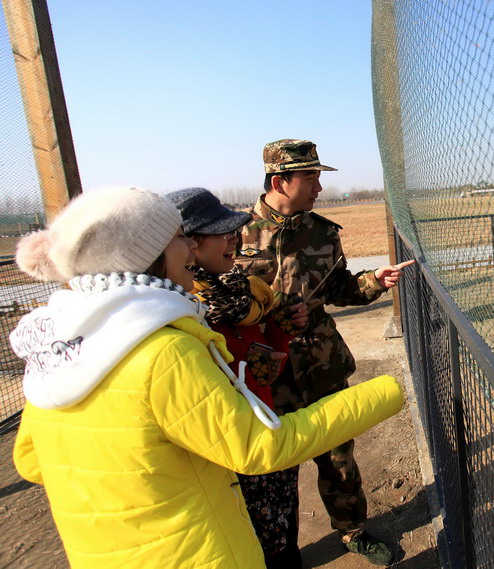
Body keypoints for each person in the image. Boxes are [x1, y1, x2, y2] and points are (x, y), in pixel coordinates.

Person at [9, 187, 404, 569]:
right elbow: (257, 447)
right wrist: (386, 392)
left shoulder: (55, 350)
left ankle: (348, 529)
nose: (189, 248)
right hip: (190, 547)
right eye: (180, 238)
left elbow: (30, 460)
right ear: (150, 254)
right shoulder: (165, 348)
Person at [235, 139, 414, 566]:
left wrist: (374, 280)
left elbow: (339, 291)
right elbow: (220, 307)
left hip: (322, 366)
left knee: (338, 460)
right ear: (280, 181)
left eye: (319, 177)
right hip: (266, 373)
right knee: (274, 470)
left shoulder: (322, 232)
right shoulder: (235, 234)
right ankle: (280, 551)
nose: (318, 187)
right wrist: (271, 320)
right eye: (311, 178)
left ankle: (352, 532)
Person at [168, 186, 308, 568]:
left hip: (263, 425)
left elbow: (261, 350)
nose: (235, 238)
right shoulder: (181, 309)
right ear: (189, 244)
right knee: (257, 545)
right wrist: (245, 368)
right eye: (223, 232)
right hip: (231, 449)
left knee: (283, 529)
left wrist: (279, 328)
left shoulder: (236, 290)